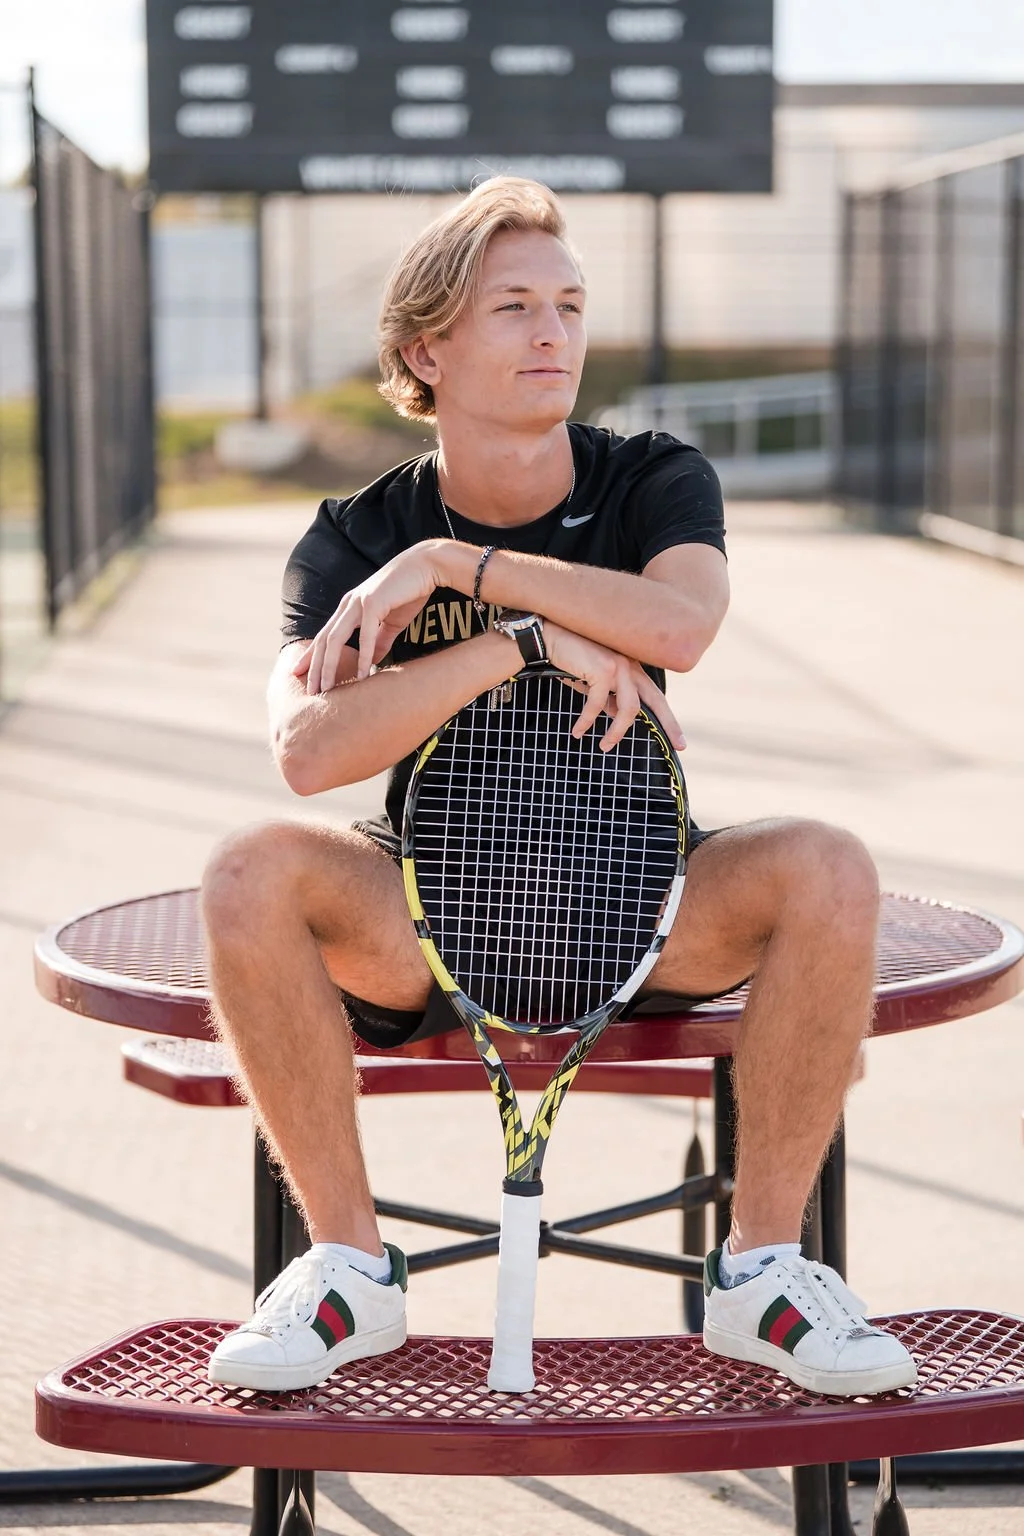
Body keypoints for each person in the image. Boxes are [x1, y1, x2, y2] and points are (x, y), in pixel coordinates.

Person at [201, 177, 916, 1400]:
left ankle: (760, 1277)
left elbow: (680, 626)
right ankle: (346, 1270)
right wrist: (518, 645)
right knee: (249, 870)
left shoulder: (651, 476)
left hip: (646, 908)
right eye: (515, 307)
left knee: (828, 867)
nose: (553, 333)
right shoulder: (350, 538)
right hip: (423, 918)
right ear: (427, 347)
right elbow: (307, 750)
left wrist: (459, 568)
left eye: (571, 305)